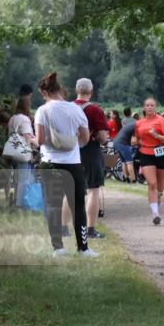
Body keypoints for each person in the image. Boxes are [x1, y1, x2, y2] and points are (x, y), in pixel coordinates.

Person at [33, 71, 96, 258]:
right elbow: (85, 138)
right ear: (60, 90)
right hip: (73, 162)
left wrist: (30, 140)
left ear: (44, 93)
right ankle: (83, 248)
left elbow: (41, 140)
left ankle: (58, 248)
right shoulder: (76, 109)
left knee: (53, 206)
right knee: (78, 205)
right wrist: (73, 143)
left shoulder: (42, 111)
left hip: (50, 163)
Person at [73, 78, 109, 240]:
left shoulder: (68, 107)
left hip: (70, 152)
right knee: (93, 190)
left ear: (76, 90)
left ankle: (65, 226)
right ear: (91, 91)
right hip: (90, 152)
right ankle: (90, 229)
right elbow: (103, 138)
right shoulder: (95, 110)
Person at [134, 97, 164, 225]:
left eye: (152, 105)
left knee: (160, 185)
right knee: (152, 183)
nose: (149, 107)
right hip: (145, 152)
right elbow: (137, 138)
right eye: (147, 105)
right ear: (144, 108)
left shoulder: (160, 120)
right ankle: (155, 214)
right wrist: (135, 141)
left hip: (160, 152)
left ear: (155, 107)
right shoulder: (139, 123)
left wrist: (156, 136)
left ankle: (158, 201)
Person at [3, 96, 37, 208]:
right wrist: (31, 151)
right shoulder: (24, 119)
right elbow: (27, 137)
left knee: (16, 179)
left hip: (12, 151)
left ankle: (14, 202)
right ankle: (22, 204)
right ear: (27, 106)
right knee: (24, 178)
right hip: (22, 152)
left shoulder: (13, 118)